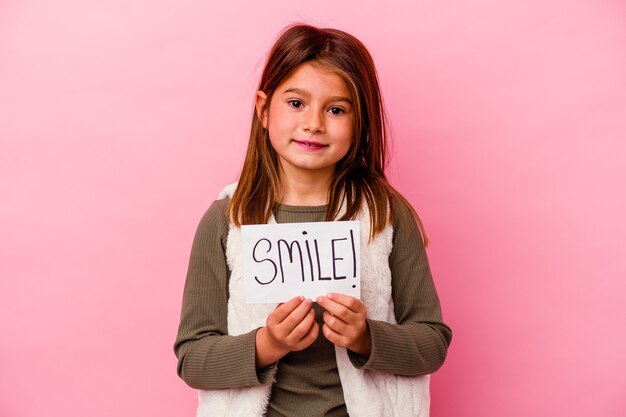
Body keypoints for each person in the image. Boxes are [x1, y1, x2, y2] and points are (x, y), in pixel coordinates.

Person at [174, 23, 452, 417]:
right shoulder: (226, 220)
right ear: (263, 109)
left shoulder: (386, 216)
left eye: (336, 109)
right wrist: (267, 344)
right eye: (296, 103)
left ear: (360, 123)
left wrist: (366, 338)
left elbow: (432, 344)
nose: (315, 123)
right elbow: (192, 359)